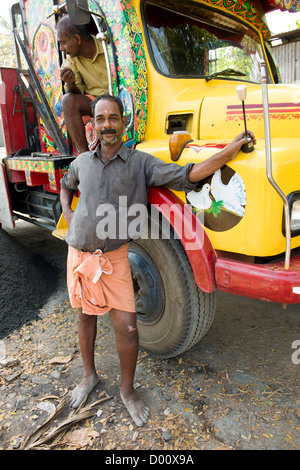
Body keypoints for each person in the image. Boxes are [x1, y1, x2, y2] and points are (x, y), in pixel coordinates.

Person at [60, 93, 255, 426]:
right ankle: (88, 376)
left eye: (113, 118)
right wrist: (69, 214)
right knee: (86, 317)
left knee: (128, 327)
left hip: (116, 257)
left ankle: (127, 391)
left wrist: (229, 151)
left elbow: (187, 175)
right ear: (92, 126)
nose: (107, 125)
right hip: (78, 255)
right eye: (101, 119)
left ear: (124, 122)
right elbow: (66, 184)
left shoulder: (140, 163)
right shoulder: (82, 162)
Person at [57, 15, 109, 153]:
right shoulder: (72, 60)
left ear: (77, 39)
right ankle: (85, 156)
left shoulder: (107, 45)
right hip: (96, 103)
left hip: (122, 97)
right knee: (68, 100)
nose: (61, 48)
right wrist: (71, 83)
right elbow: (76, 92)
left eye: (63, 42)